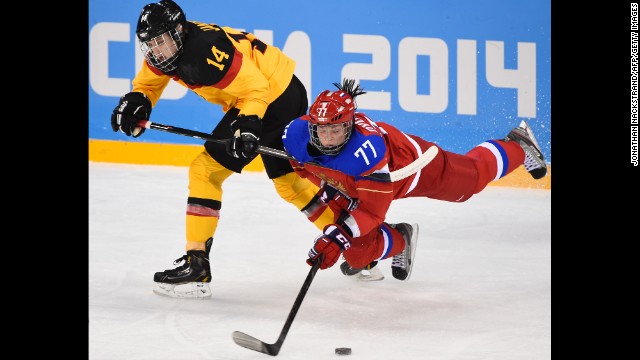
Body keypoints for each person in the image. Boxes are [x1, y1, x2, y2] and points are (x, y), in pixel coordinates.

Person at [110, 0, 335, 298]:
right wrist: (138, 99)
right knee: (289, 183)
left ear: (178, 32)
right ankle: (359, 244)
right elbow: (149, 84)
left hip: (274, 96)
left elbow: (256, 88)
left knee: (206, 171)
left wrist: (249, 124)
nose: (155, 50)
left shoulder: (205, 51)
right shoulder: (168, 50)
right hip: (269, 93)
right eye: (150, 44)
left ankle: (197, 264)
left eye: (160, 41)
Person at [281, 79, 548, 281]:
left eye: (335, 130)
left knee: (471, 181)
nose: (327, 137)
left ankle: (517, 145)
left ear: (349, 126)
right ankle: (402, 237)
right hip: (355, 183)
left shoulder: (367, 151)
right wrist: (332, 193)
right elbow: (303, 168)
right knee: (357, 253)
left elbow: (372, 212)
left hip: (409, 168)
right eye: (322, 129)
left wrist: (339, 234)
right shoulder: (296, 134)